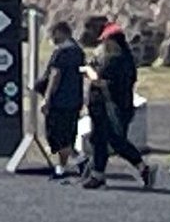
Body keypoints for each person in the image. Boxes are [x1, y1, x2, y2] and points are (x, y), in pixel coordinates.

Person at [83, 24, 154, 190]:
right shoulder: (113, 58)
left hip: (113, 107)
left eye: (106, 41)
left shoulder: (118, 60)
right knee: (100, 139)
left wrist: (92, 75)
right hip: (105, 107)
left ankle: (142, 167)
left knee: (114, 140)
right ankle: (97, 174)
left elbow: (106, 82)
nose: (103, 45)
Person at [35, 20, 86, 181]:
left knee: (55, 136)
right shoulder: (79, 52)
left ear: (61, 33)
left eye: (53, 34)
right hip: (74, 100)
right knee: (68, 135)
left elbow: (55, 76)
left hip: (59, 101)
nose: (52, 37)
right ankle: (62, 167)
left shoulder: (61, 53)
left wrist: (47, 98)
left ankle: (80, 160)